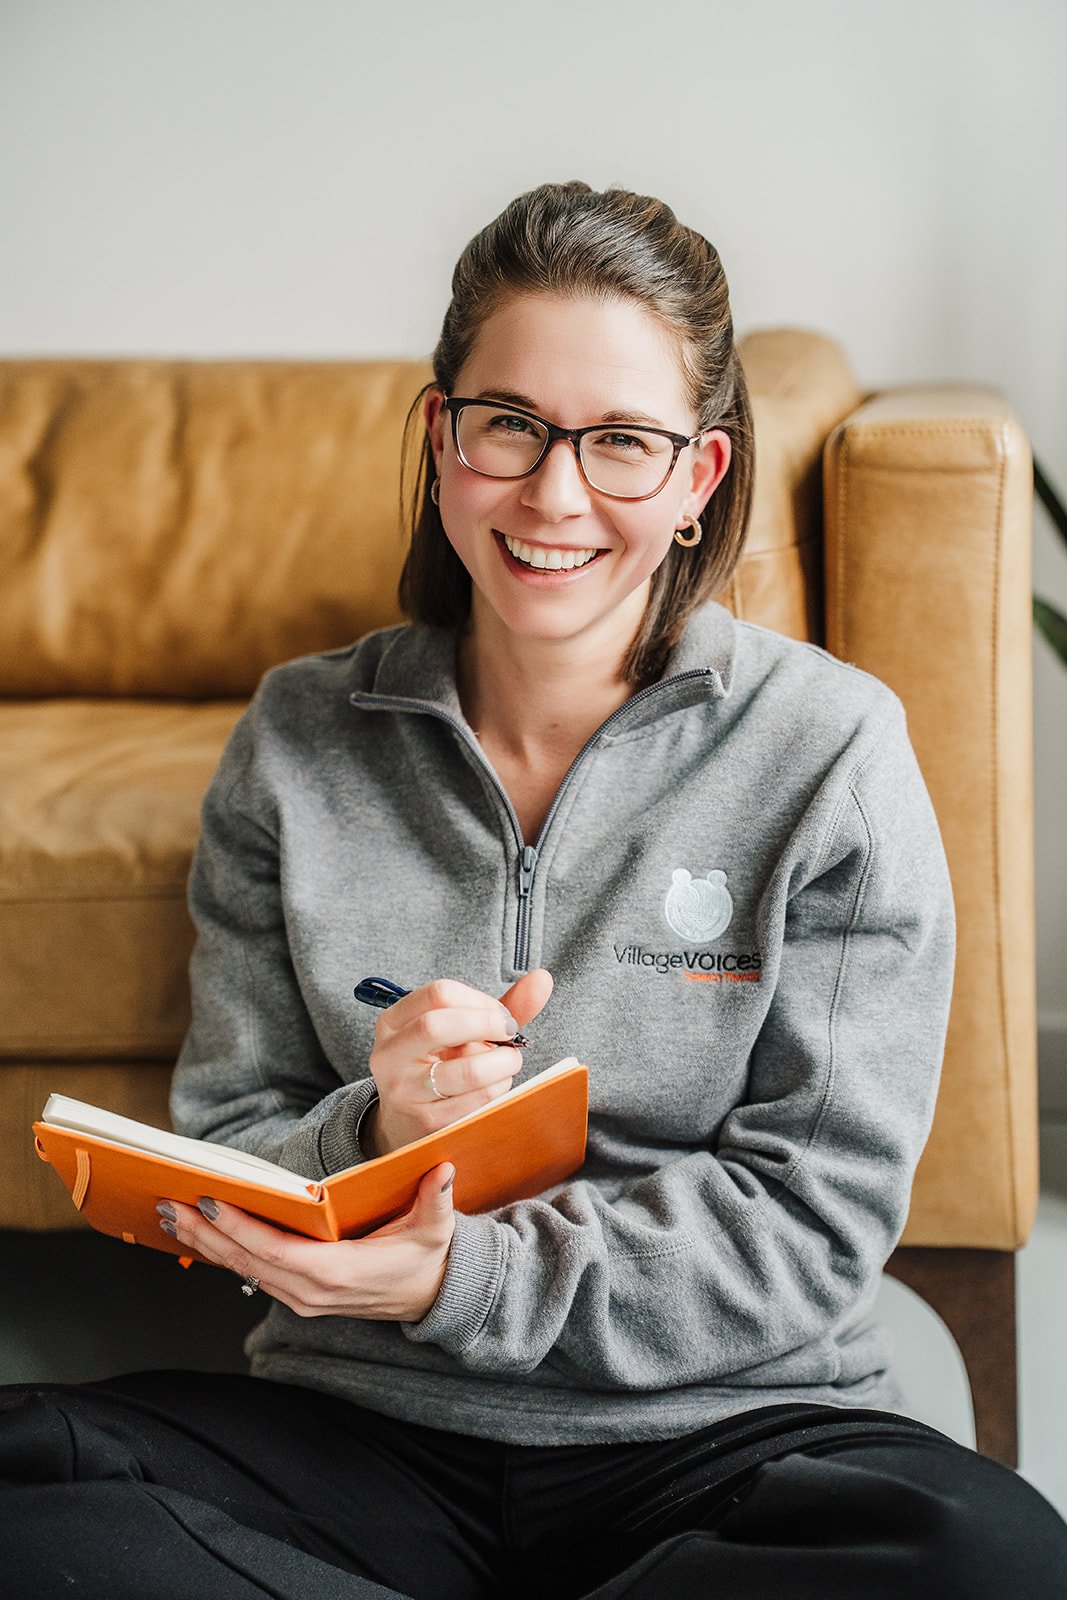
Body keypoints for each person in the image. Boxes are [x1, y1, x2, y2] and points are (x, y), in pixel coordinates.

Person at [1, 180, 1064, 1599]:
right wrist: (373, 1128)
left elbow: (813, 1223)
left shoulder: (830, 750)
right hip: (357, 1430)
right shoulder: (299, 738)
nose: (555, 495)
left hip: (720, 1434)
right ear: (443, 441)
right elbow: (236, 1139)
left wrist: (464, 1280)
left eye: (621, 441)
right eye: (511, 425)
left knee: (986, 1558)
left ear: (697, 480)